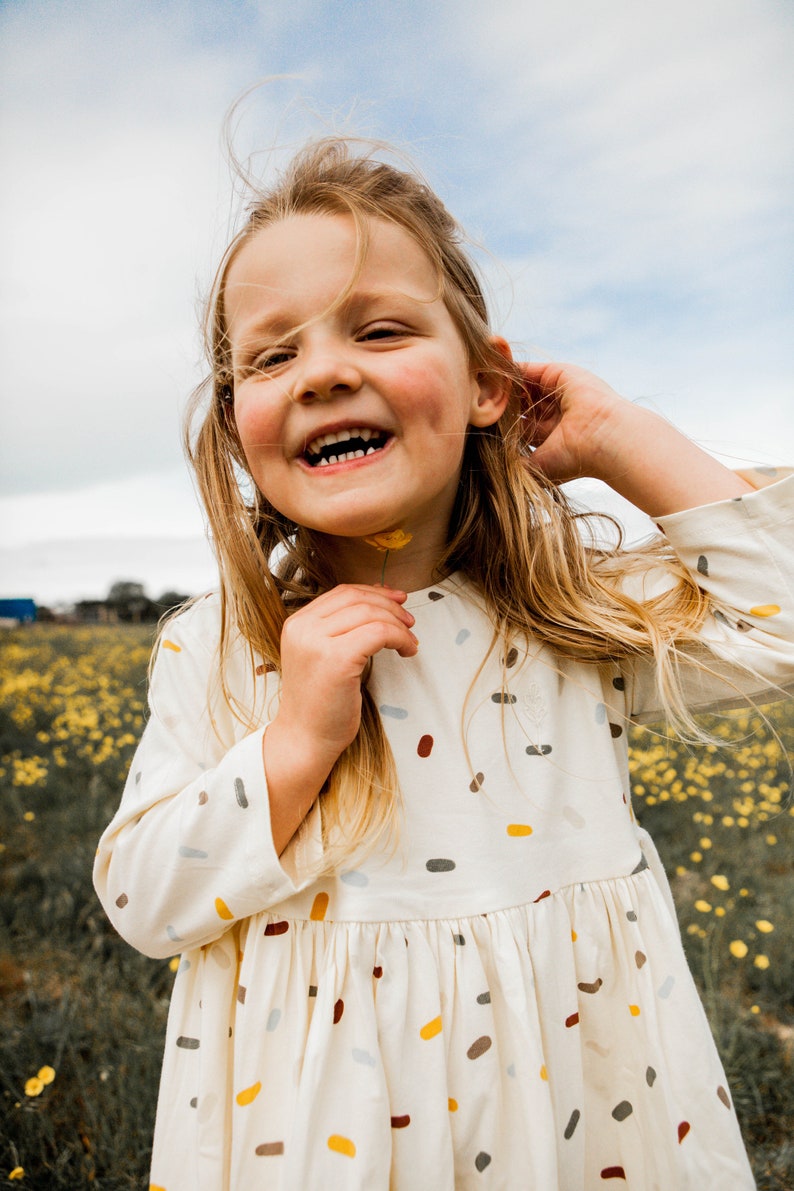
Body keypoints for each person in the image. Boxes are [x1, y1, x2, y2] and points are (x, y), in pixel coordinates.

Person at [94, 138, 793, 1190]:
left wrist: (611, 433)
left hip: (578, 1114)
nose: (325, 370)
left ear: (483, 386)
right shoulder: (221, 648)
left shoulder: (564, 615)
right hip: (332, 1139)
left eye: (378, 330)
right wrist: (293, 745)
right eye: (273, 357)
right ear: (240, 434)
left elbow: (778, 624)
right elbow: (144, 904)